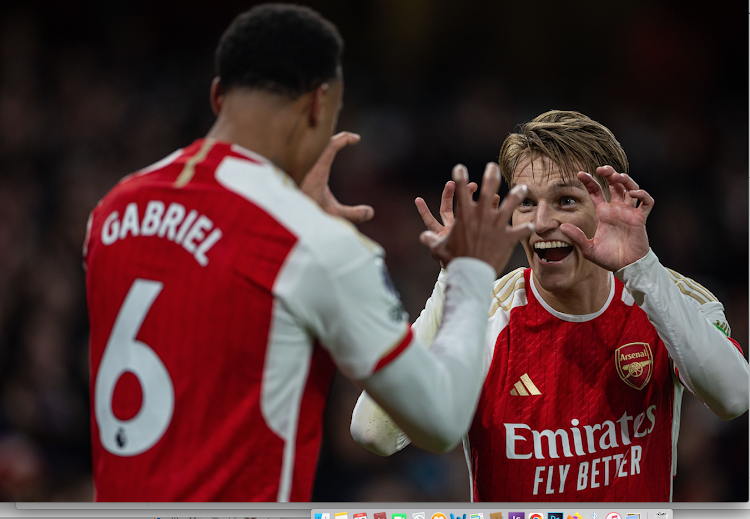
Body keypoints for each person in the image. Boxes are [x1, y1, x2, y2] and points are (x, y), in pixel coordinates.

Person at [83, 3, 534, 502]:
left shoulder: (111, 211)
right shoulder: (312, 246)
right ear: (320, 105)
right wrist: (470, 271)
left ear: (217, 96)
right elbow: (442, 420)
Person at [350, 110, 749, 502]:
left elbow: (734, 398)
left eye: (565, 201)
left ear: (611, 204)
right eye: (525, 203)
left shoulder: (666, 297)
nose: (541, 222)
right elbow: (374, 433)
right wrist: (454, 281)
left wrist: (641, 271)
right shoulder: (484, 317)